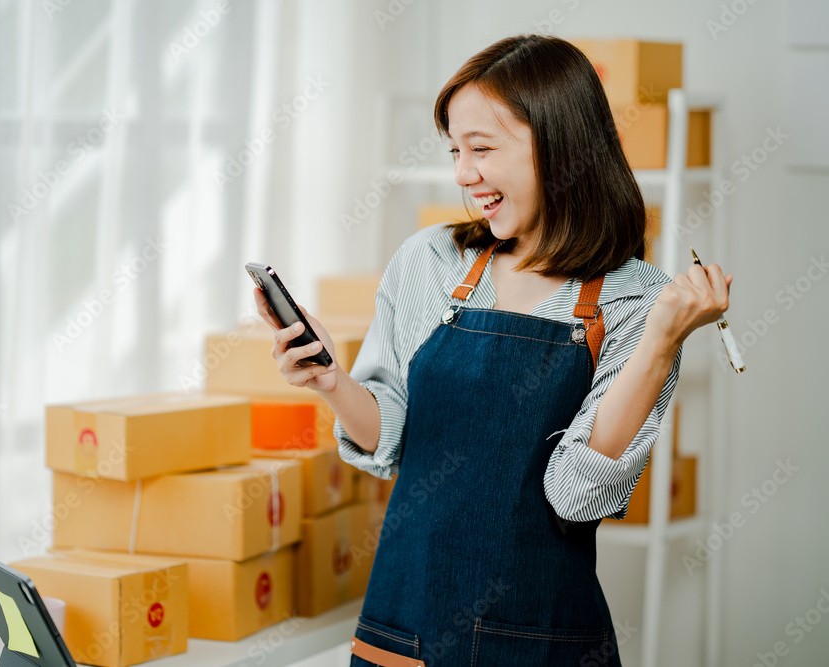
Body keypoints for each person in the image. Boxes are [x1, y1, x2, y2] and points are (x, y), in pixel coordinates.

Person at [253, 35, 731, 666]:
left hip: (544, 639)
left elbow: (575, 494)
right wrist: (330, 381)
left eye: (481, 149)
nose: (463, 174)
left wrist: (662, 342)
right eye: (455, 151)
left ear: (560, 147)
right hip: (405, 625)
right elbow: (392, 439)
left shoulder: (638, 301)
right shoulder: (429, 262)